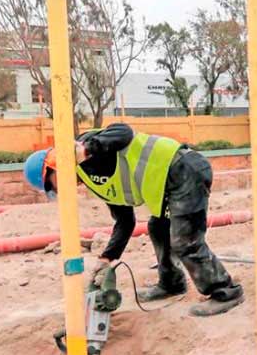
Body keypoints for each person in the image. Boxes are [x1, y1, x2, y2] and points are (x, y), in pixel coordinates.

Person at [23, 123, 244, 317]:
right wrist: (108, 258)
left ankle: (225, 292)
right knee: (158, 228)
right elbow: (125, 221)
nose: (59, 189)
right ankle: (172, 284)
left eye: (53, 184)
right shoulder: (91, 181)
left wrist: (87, 149)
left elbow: (124, 132)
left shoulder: (86, 147)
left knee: (185, 240)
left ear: (54, 166)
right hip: (168, 184)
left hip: (183, 169)